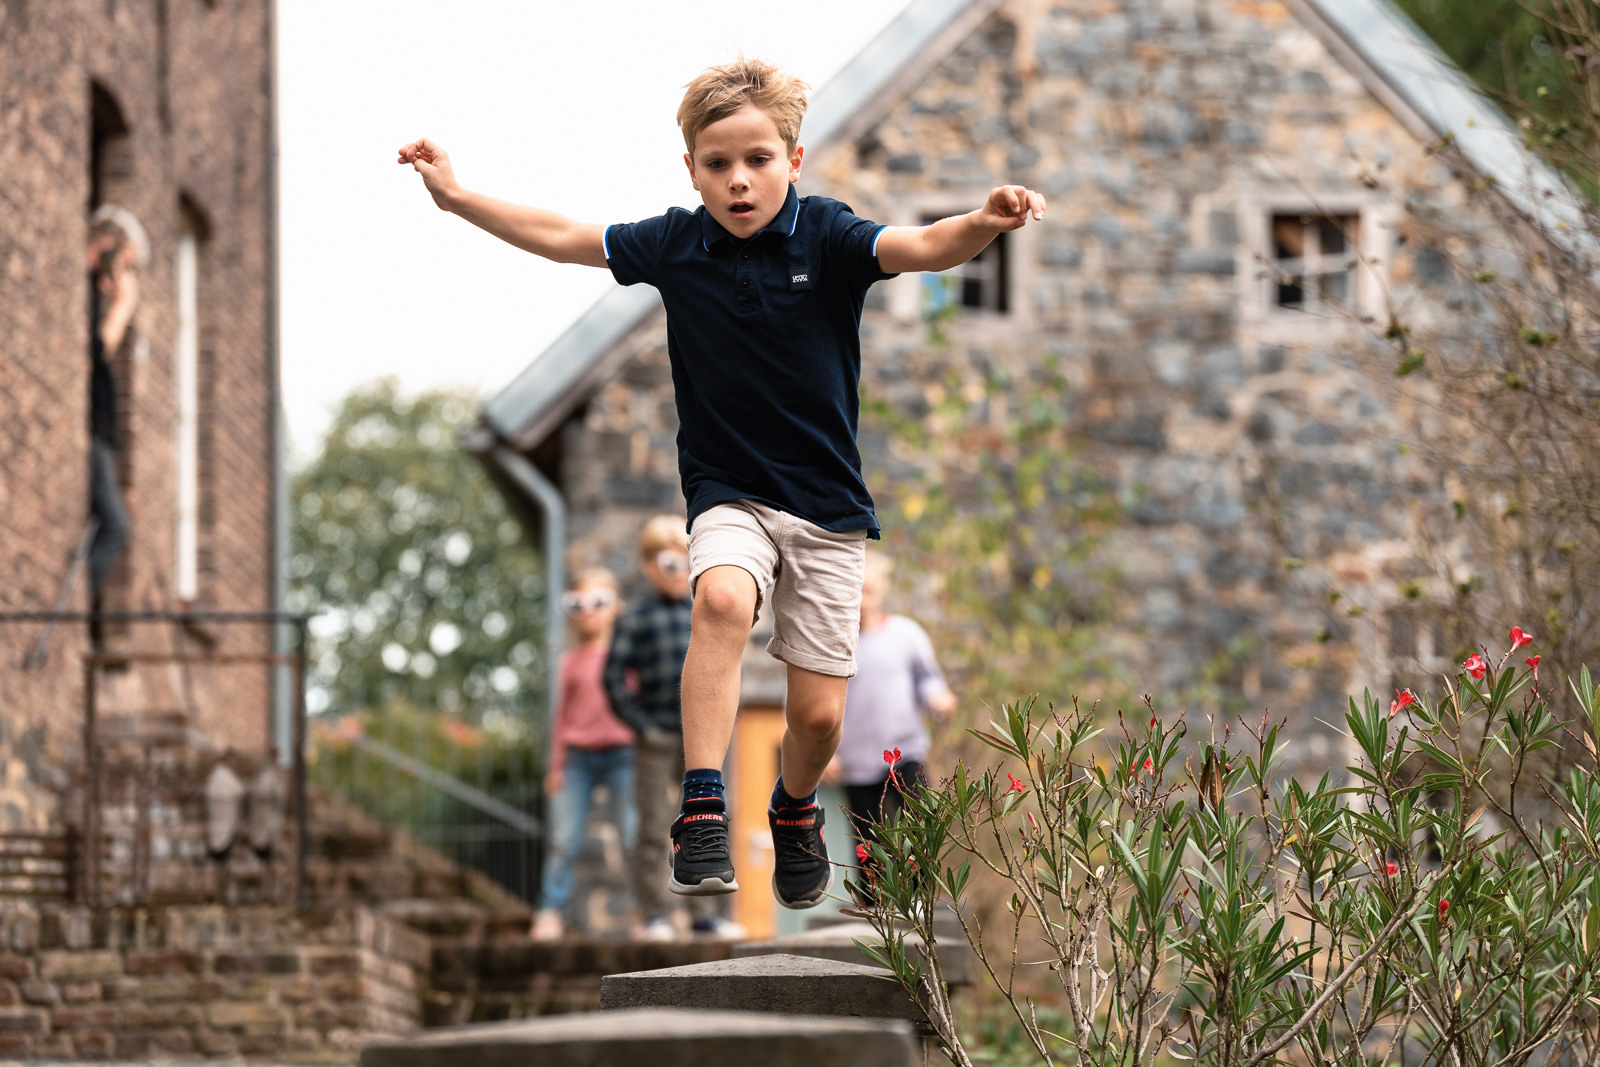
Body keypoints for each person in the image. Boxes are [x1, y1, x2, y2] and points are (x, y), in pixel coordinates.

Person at [397, 58, 1045, 914]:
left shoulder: (830, 236)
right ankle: (703, 807)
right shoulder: (676, 244)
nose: (738, 181)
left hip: (826, 507)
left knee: (816, 722)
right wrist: (459, 197)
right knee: (723, 605)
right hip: (727, 492)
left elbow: (921, 246)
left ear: (795, 160)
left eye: (758, 161)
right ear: (692, 169)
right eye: (717, 164)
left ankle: (795, 807)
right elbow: (562, 235)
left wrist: (985, 221)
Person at [602, 517, 739, 939]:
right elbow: (612, 677)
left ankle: (706, 916)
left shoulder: (702, 609)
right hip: (656, 735)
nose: (678, 570)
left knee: (708, 817)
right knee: (651, 824)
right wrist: (641, 726)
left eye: (686, 560)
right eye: (667, 561)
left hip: (700, 736)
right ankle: (656, 915)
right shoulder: (635, 618)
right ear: (648, 566)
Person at [826, 551, 954, 897]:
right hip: (857, 759)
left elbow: (928, 679)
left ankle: (923, 897)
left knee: (918, 824)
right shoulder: (835, 642)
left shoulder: (906, 634)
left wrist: (938, 698)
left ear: (882, 592)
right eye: (855, 592)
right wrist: (827, 755)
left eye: (869, 592)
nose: (862, 601)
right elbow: (815, 701)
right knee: (868, 836)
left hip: (905, 750)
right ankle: (874, 905)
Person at [531, 567, 638, 941]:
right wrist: (556, 765)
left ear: (615, 608)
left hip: (623, 755)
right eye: (579, 604)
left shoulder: (629, 658)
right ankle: (550, 912)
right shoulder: (570, 662)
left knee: (631, 836)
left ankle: (646, 912)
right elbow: (561, 718)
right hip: (577, 759)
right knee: (564, 838)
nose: (589, 611)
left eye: (599, 602)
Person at [85, 205, 147, 644]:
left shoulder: (90, 296)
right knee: (117, 527)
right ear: (106, 248)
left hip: (101, 437)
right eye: (123, 264)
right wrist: (121, 309)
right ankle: (79, 615)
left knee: (114, 523)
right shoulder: (85, 298)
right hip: (90, 436)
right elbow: (92, 353)